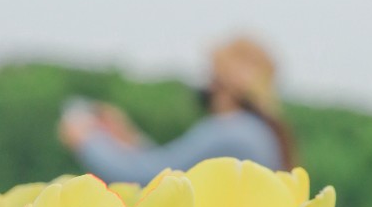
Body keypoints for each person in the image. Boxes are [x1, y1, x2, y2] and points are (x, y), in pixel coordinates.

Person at [57, 36, 296, 182]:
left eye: (212, 77)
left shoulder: (230, 131)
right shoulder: (257, 132)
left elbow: (152, 179)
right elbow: (173, 167)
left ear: (224, 85)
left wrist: (86, 141)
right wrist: (127, 138)